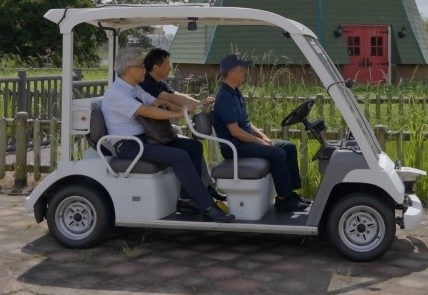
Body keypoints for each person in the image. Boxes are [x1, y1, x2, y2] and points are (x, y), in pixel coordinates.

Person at [101, 47, 234, 223]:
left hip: (146, 140)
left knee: (193, 147)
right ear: (129, 70)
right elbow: (147, 111)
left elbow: (158, 102)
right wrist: (178, 114)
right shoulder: (116, 93)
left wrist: (184, 109)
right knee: (179, 156)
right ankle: (208, 206)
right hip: (130, 146)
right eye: (141, 66)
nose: (144, 69)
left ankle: (187, 199)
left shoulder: (134, 88)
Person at [212, 54, 311, 213]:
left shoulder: (235, 93)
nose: (245, 72)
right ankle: (283, 199)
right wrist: (261, 143)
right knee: (278, 153)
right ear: (231, 72)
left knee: (289, 147)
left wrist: (265, 138)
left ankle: (290, 194)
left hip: (245, 142)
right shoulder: (224, 97)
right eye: (241, 69)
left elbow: (246, 123)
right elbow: (235, 132)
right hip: (235, 146)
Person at [139, 47, 226, 202]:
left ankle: (204, 188)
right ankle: (194, 195)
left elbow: (178, 95)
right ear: (156, 67)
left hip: (162, 133)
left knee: (195, 147)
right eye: (167, 64)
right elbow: (169, 99)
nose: (170, 67)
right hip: (152, 137)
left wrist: (200, 103)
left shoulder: (159, 82)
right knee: (188, 150)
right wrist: (191, 107)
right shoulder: (146, 83)